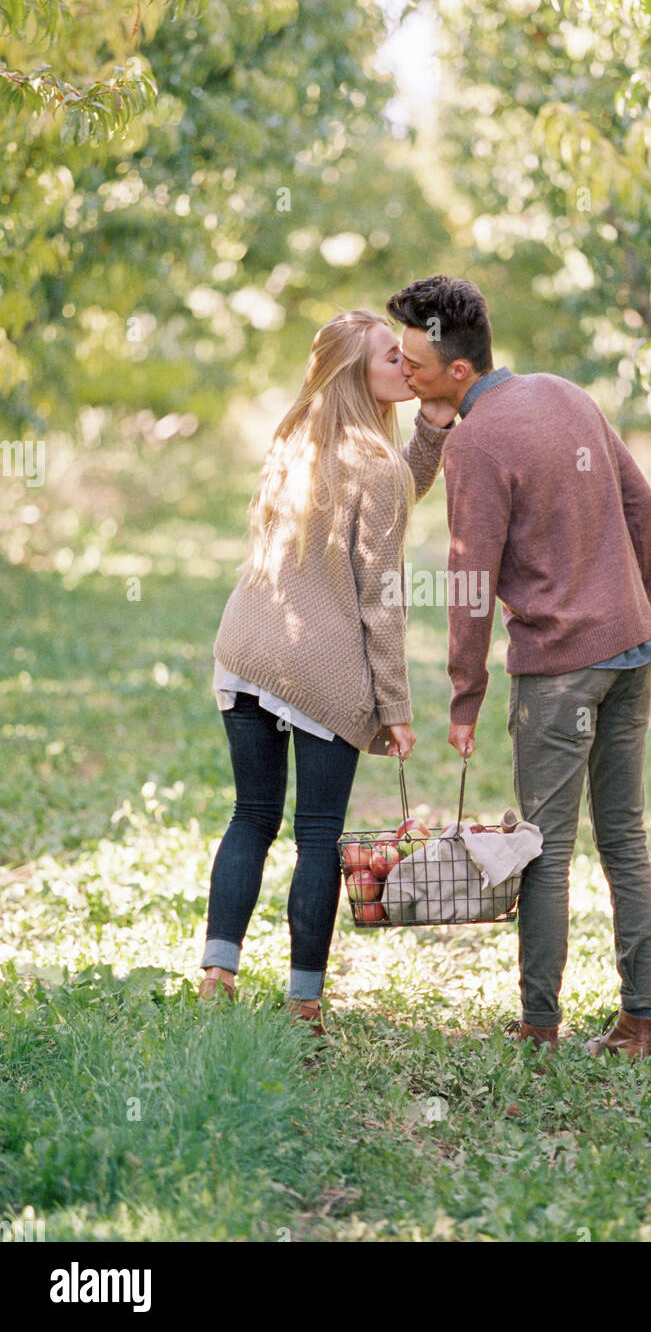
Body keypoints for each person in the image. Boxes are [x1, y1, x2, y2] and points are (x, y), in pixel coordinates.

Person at [386, 275, 651, 1057]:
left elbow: (471, 580)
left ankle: (539, 1027)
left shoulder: (477, 442)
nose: (403, 374)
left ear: (458, 372)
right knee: (624, 839)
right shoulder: (563, 394)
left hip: (556, 671)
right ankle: (636, 1023)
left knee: (543, 849)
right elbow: (643, 506)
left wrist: (464, 695)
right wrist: (630, 606)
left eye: (414, 364)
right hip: (631, 650)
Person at [198, 310, 456, 1031]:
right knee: (317, 834)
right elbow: (382, 602)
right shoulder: (373, 468)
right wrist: (395, 707)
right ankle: (304, 1000)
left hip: (245, 650)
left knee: (251, 816)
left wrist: (429, 431)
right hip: (316, 666)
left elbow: (396, 496)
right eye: (389, 361)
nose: (407, 367)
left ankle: (218, 971)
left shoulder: (296, 444)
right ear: (355, 375)